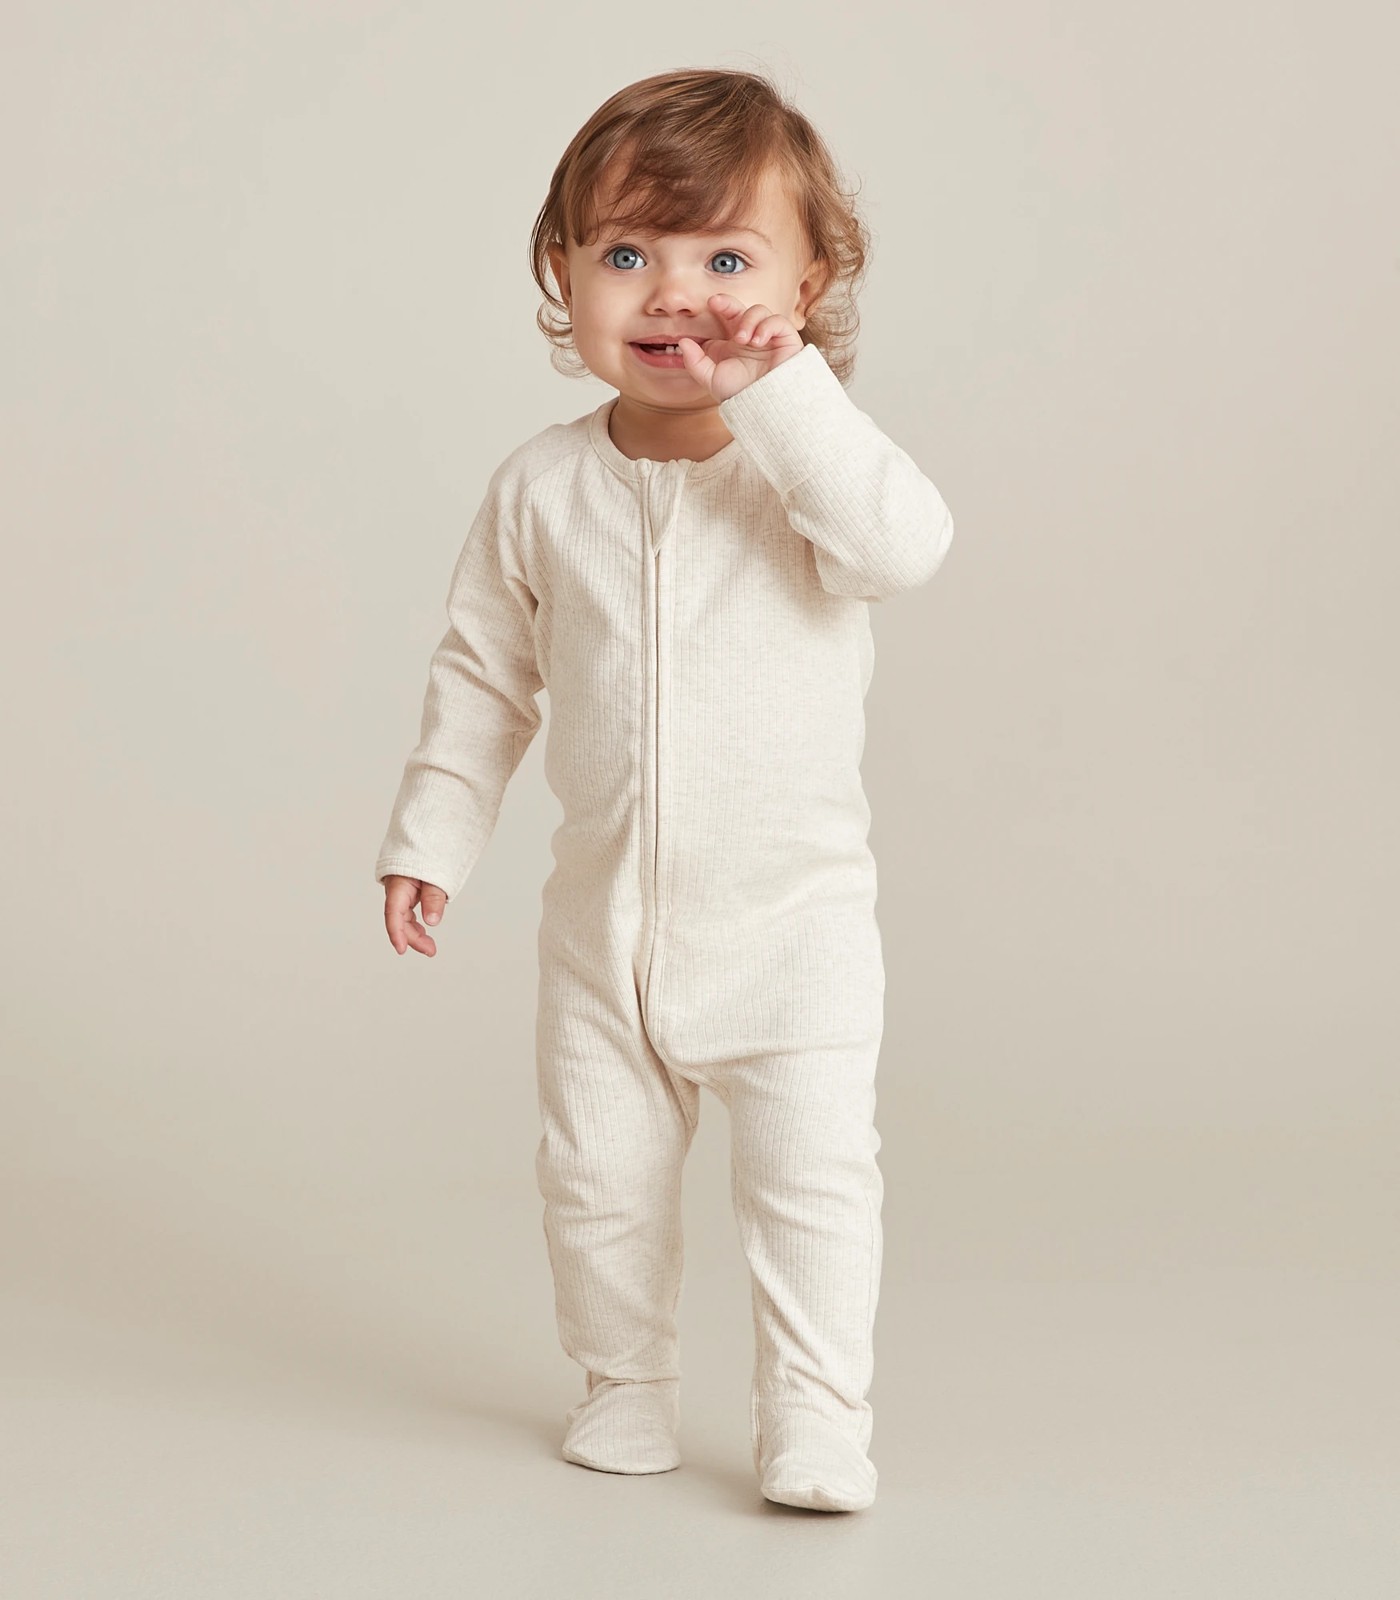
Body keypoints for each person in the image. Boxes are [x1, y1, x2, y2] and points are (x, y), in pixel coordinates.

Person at [374, 67, 955, 1513]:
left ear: (807, 289)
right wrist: (433, 837)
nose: (675, 293)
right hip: (605, 934)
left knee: (813, 1183)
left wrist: (789, 396)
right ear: (562, 275)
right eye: (627, 253)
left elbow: (903, 548)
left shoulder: (808, 474)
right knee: (597, 1182)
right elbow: (484, 678)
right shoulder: (540, 488)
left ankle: (815, 1416)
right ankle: (622, 1384)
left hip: (794, 931)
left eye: (728, 261)